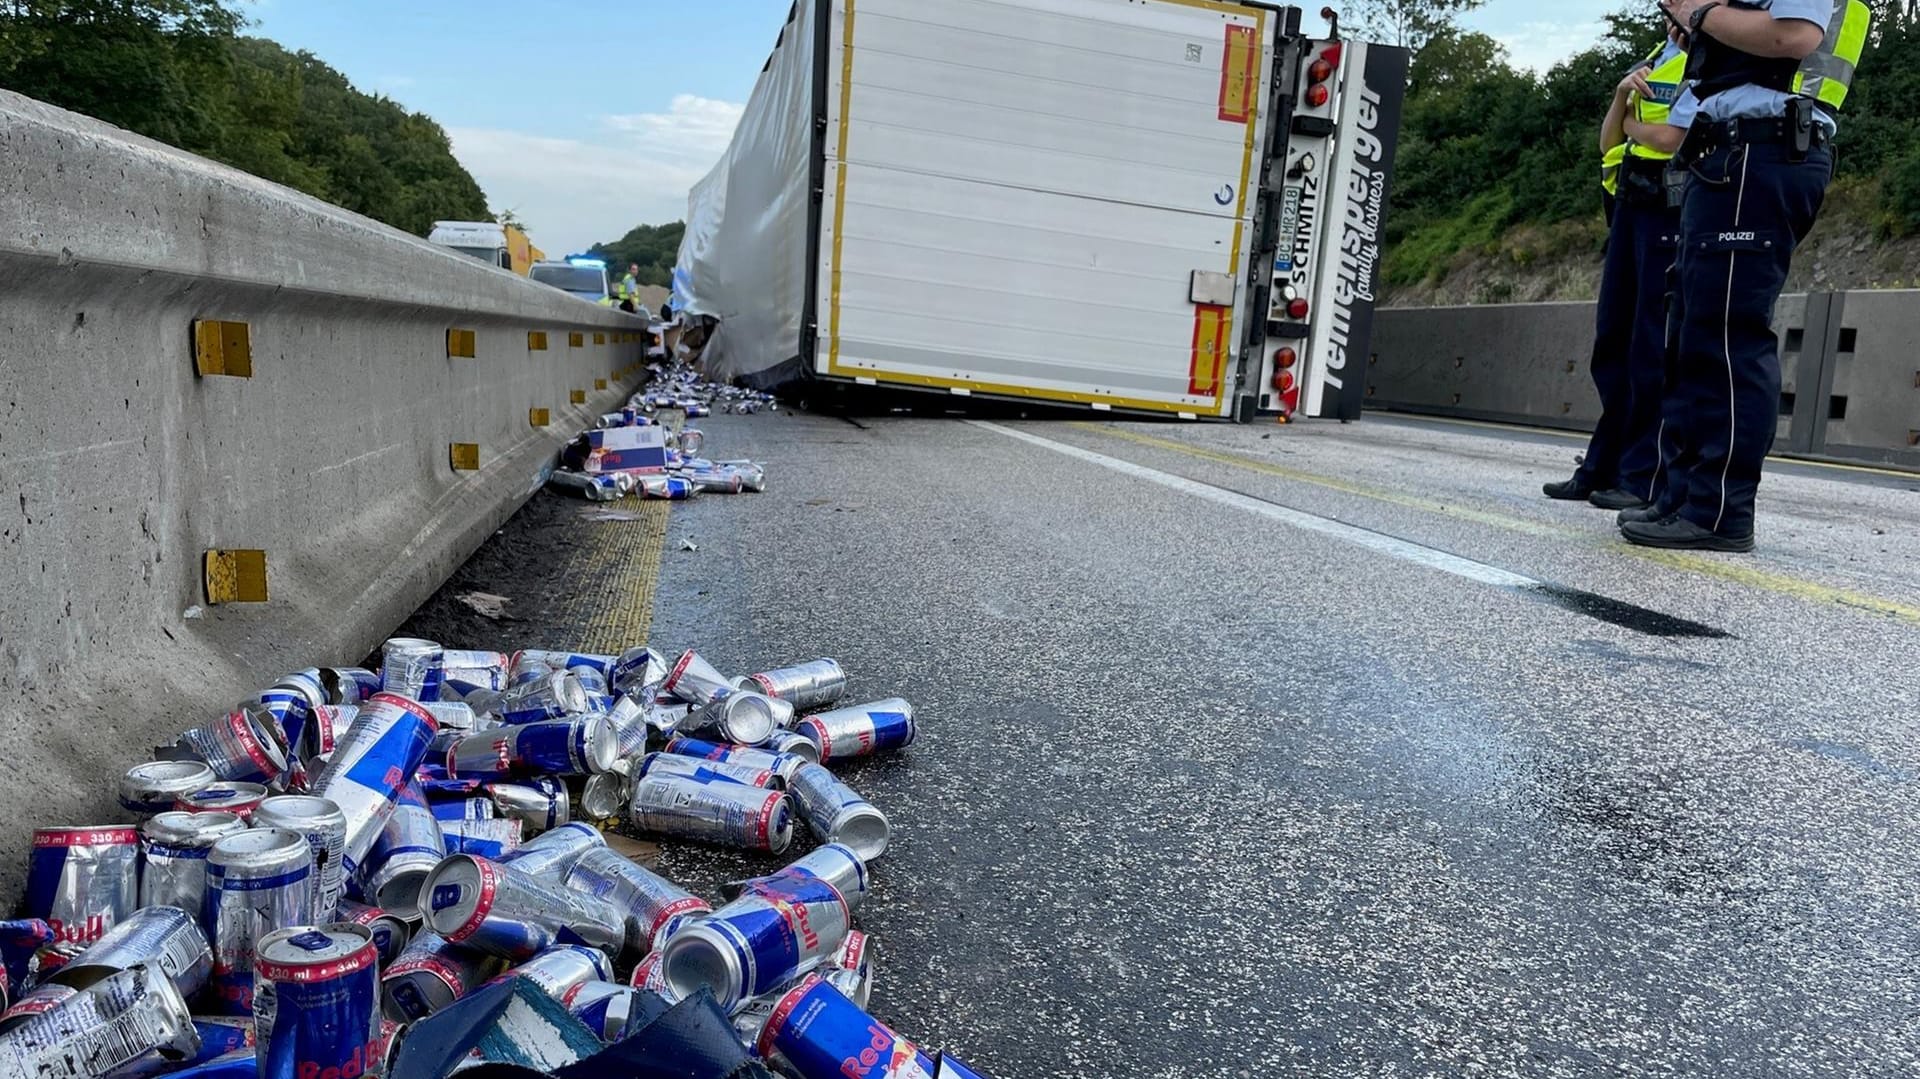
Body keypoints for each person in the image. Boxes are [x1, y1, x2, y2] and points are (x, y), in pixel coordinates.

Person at [1619, 0, 1868, 551]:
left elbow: (1794, 37)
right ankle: (1681, 497)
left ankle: (1719, 511)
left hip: (1761, 148)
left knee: (1726, 336)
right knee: (1691, 334)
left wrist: (1698, 11)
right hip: (1726, 150)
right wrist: (1698, 32)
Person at [1543, 37, 1689, 511]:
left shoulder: (1711, 58)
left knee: (1650, 351)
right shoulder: (1656, 57)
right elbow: (1609, 143)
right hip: (1630, 205)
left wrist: (1630, 123)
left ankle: (1640, 476)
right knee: (1613, 345)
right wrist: (1620, 97)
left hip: (1669, 211)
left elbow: (1672, 138)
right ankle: (1600, 468)